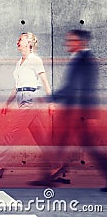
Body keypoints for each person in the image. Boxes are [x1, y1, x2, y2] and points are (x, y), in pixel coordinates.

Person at [0, 32, 53, 178]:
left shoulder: (35, 60)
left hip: (31, 101)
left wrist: (51, 102)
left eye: (20, 39)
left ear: (29, 42)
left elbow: (45, 81)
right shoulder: (19, 62)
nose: (17, 42)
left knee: (11, 133)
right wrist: (7, 103)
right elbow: (17, 86)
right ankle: (58, 164)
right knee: (40, 137)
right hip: (21, 100)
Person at [45, 29, 107, 189]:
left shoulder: (86, 60)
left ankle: (48, 176)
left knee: (89, 147)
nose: (67, 43)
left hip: (79, 113)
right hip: (72, 111)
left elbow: (84, 89)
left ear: (80, 42)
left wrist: (51, 97)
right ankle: (48, 176)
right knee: (59, 143)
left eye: (71, 40)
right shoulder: (79, 58)